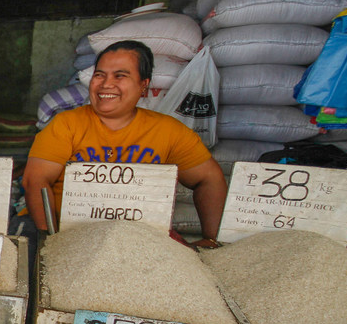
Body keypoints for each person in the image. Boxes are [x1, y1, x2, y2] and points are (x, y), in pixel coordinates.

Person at [23, 40, 227, 248]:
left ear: (143, 85)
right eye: (99, 75)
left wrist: (211, 239)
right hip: (73, 240)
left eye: (120, 76)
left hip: (142, 244)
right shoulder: (67, 124)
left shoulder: (168, 131)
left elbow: (209, 178)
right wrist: (49, 242)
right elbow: (35, 181)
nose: (106, 84)